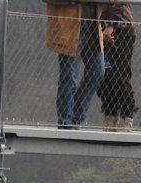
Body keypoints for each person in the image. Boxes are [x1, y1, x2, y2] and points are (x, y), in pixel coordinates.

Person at [46, 1, 106, 130]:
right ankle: (66, 122)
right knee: (69, 76)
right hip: (70, 28)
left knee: (97, 71)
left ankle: (74, 118)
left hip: (93, 27)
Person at [97, 2, 136, 132]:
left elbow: (120, 4)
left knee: (120, 76)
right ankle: (110, 115)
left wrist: (111, 25)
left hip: (122, 31)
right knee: (105, 77)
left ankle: (127, 116)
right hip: (99, 30)